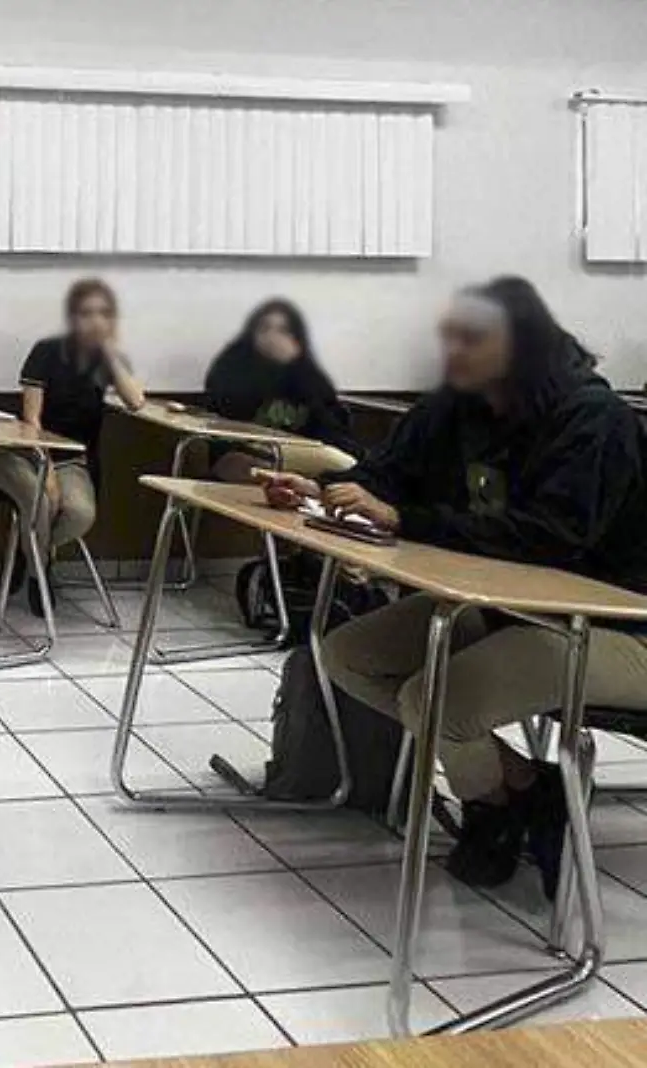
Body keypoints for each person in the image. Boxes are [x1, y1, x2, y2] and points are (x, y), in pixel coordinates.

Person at [259, 277, 647, 895]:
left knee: (439, 702)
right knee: (348, 656)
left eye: (472, 339)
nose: (454, 353)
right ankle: (522, 787)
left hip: (611, 625)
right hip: (511, 610)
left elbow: (550, 539)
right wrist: (323, 494)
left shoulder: (594, 419)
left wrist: (405, 520)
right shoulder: (457, 407)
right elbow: (386, 475)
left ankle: (494, 810)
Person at [0, 278, 147, 611]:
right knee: (42, 502)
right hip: (23, 455)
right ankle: (38, 577)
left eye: (104, 313)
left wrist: (111, 355)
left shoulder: (106, 359)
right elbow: (31, 421)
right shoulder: (46, 351)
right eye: (87, 313)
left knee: (81, 514)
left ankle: (23, 551)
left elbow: (136, 401)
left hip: (74, 460)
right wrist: (47, 471)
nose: (95, 320)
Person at [203, 298, 362, 483]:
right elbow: (227, 414)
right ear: (252, 333)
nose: (272, 337)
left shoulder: (308, 374)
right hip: (245, 453)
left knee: (348, 467)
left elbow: (333, 430)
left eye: (283, 330)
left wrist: (294, 367)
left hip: (299, 457)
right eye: (264, 329)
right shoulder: (231, 365)